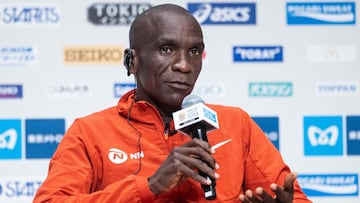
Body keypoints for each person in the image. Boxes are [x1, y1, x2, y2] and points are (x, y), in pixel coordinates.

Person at [33, 4, 312, 203]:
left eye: (194, 51)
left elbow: (293, 197)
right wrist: (150, 186)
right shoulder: (90, 132)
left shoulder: (235, 124)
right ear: (133, 61)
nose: (183, 65)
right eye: (166, 49)